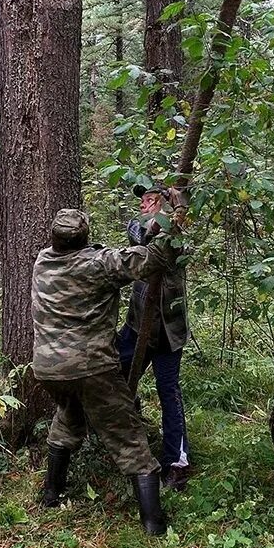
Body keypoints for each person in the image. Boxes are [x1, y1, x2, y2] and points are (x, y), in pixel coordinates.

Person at [31, 206, 182, 536]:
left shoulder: (42, 260)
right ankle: (154, 526)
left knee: (67, 419)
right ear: (84, 237)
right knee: (130, 439)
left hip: (47, 369)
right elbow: (152, 259)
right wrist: (174, 220)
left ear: (54, 237)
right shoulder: (97, 264)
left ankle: (51, 494)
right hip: (90, 368)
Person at [117, 184, 193, 491]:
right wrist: (165, 218)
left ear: (166, 204)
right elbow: (141, 238)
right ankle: (124, 431)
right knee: (116, 373)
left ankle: (177, 460)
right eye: (143, 200)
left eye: (152, 200)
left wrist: (178, 212)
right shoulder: (138, 225)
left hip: (169, 331)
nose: (145, 205)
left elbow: (173, 249)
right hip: (137, 326)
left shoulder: (178, 232)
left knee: (168, 390)